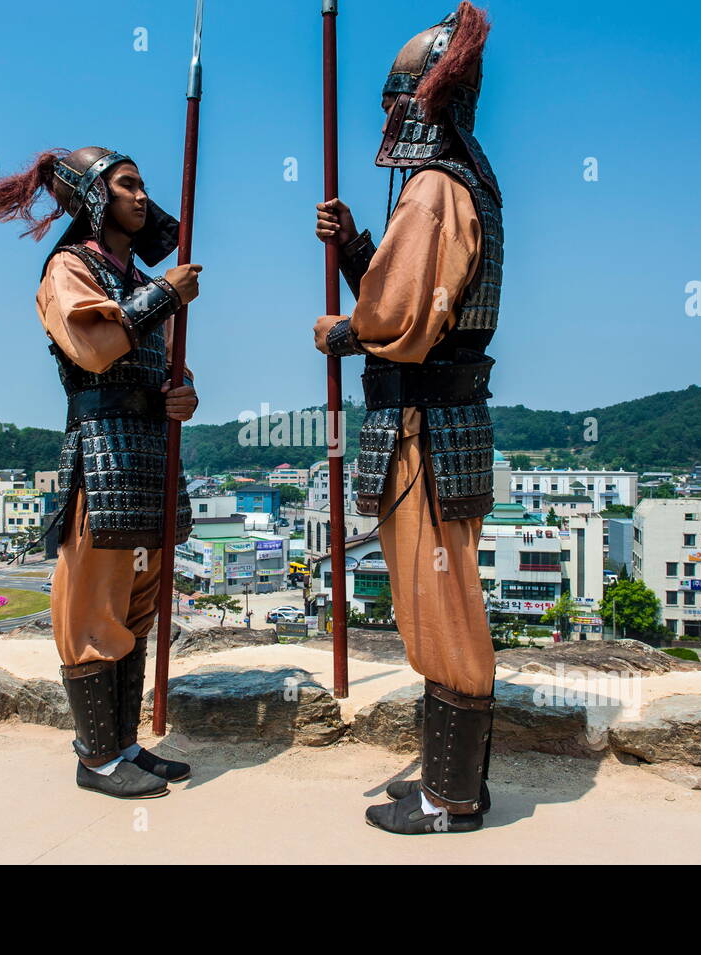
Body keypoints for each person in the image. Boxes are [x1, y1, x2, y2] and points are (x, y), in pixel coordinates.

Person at [313, 2, 502, 834]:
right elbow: (416, 294)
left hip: (425, 428)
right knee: (438, 604)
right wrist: (358, 248)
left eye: (394, 100)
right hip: (435, 424)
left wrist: (341, 332)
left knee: (444, 609)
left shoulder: (432, 189)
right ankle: (446, 783)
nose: (387, 117)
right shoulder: (460, 183)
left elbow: (403, 324)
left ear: (417, 101)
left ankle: (450, 798)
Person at [0, 146, 201, 799]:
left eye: (142, 185)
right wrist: (166, 293)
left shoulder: (133, 274)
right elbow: (95, 347)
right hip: (101, 449)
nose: (141, 195)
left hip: (149, 449)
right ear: (96, 196)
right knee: (92, 605)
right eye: (127, 184)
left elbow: (164, 368)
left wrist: (181, 392)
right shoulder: (69, 267)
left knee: (137, 604)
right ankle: (95, 758)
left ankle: (123, 744)